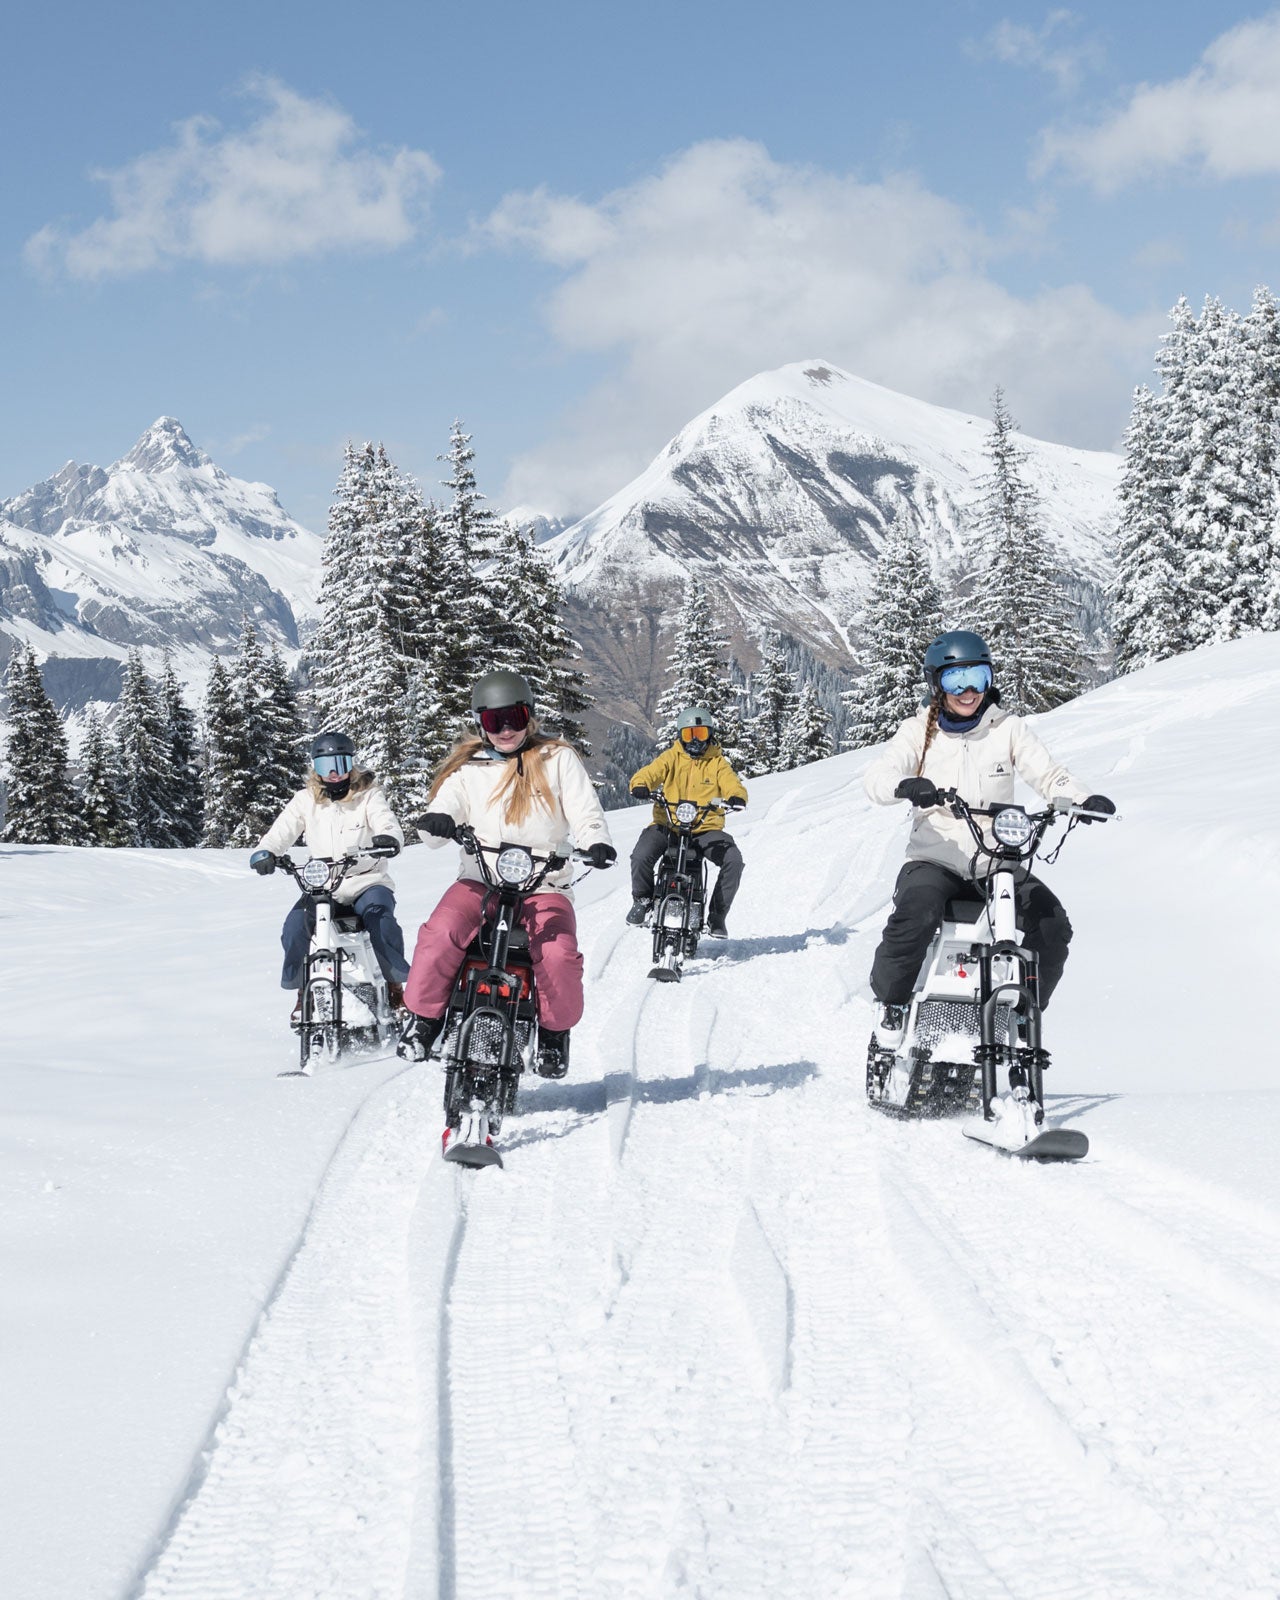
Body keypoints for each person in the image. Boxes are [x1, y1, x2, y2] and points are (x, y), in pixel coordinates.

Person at [864, 631, 1114, 1042]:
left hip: (996, 862)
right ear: (936, 684)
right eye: (954, 680)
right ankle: (891, 1003)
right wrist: (906, 786)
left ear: (989, 680)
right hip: (936, 858)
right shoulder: (918, 732)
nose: (966, 691)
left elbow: (1049, 775)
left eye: (976, 678)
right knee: (916, 914)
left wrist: (1082, 799)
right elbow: (879, 776)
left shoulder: (1008, 729)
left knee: (1052, 925)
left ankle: (1023, 1010)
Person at [400, 670, 616, 1078]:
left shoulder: (557, 759)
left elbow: (585, 810)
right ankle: (424, 1021)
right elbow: (442, 813)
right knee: (440, 932)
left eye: (514, 718)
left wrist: (595, 840)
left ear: (529, 716)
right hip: (480, 880)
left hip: (544, 883)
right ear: (480, 724)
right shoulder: (469, 770)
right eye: (493, 722)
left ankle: (554, 1035)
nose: (505, 731)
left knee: (558, 954)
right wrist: (438, 820)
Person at [249, 730, 411, 1019]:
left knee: (380, 920)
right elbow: (281, 832)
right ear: (315, 769)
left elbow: (386, 822)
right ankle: (303, 991)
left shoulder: (368, 796)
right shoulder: (305, 801)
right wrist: (267, 852)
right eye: (326, 766)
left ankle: (395, 986)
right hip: (323, 883)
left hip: (367, 880)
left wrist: (388, 839)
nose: (334, 773)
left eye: (341, 763)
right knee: (296, 924)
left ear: (352, 764)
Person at [626, 705, 748, 939]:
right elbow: (650, 773)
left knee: (733, 860)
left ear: (710, 734)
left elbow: (733, 783)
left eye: (700, 734)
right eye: (688, 734)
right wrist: (641, 785)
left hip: (705, 828)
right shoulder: (672, 757)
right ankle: (642, 900)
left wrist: (736, 797)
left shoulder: (717, 763)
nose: (694, 741)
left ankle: (716, 916)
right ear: (680, 735)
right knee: (640, 855)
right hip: (669, 823)